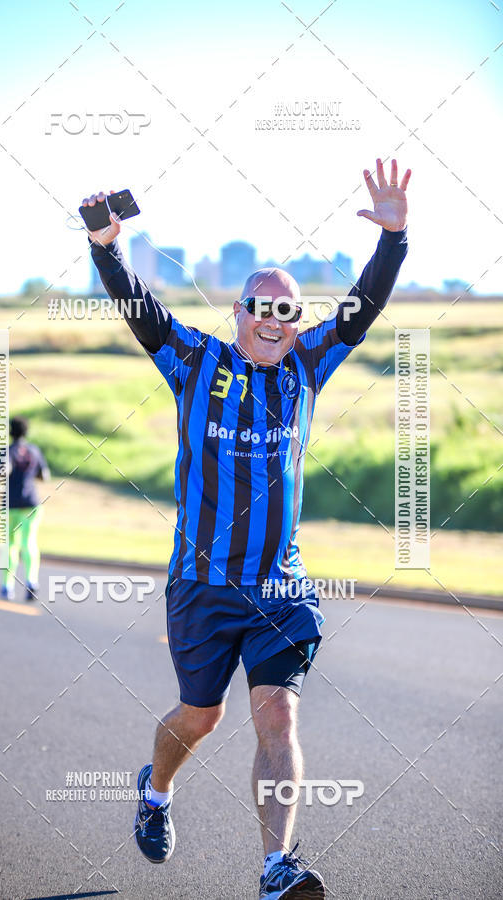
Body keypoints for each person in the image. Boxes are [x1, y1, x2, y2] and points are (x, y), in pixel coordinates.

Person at [85, 158, 410, 899]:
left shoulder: (308, 365)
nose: (272, 320)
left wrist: (393, 239)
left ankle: (275, 868)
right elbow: (141, 310)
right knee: (200, 716)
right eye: (260, 307)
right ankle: (155, 791)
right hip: (202, 585)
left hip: (280, 588)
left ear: (296, 323)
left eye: (286, 312)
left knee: (278, 719)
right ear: (237, 312)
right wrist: (108, 249)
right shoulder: (194, 361)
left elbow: (362, 309)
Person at [0, 416, 50, 602]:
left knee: (10, 545)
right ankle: (31, 581)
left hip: (11, 505)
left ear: (10, 432)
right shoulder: (34, 450)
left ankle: (7, 586)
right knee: (29, 542)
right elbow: (44, 476)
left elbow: (2, 471)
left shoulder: (7, 451)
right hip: (32, 503)